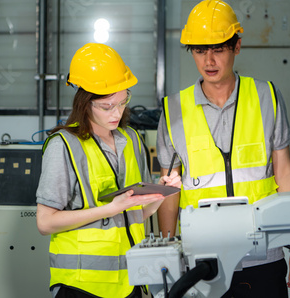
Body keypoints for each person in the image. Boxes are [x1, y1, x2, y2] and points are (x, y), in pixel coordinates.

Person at [156, 0, 290, 297]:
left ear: (237, 46)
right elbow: (169, 193)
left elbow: (285, 174)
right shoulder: (173, 109)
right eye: (200, 50)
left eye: (218, 49)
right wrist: (166, 252)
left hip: (264, 256)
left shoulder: (267, 97)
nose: (209, 60)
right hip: (202, 261)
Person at [36, 43, 181, 298]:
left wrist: (160, 194)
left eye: (123, 102)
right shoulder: (64, 146)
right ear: (84, 102)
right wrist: (111, 208)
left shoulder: (133, 140)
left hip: (131, 281)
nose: (117, 112)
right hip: (82, 285)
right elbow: (45, 222)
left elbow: (136, 213)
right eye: (106, 106)